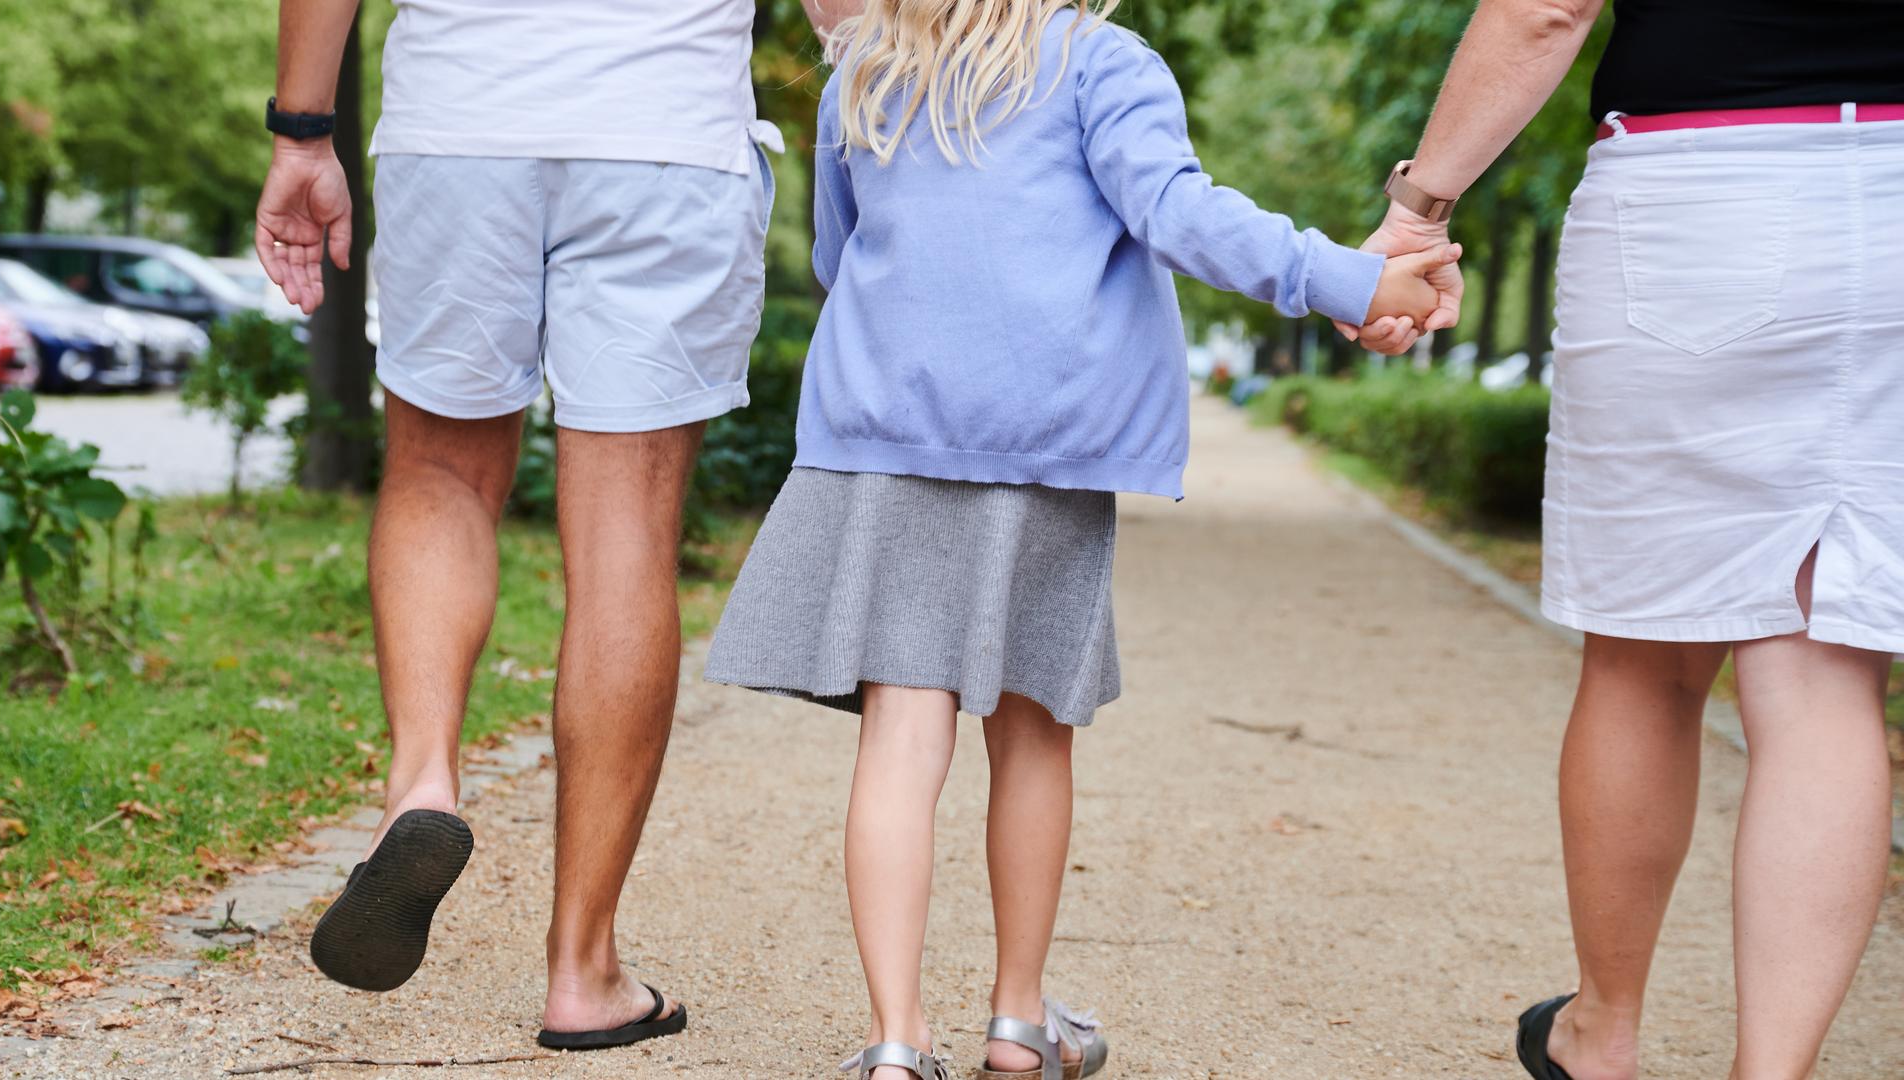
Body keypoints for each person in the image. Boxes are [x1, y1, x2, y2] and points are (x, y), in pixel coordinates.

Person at [700, 1, 1461, 1076]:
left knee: (901, 737)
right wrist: (1344, 277)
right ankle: (1017, 1024)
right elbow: (1179, 215)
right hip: (1044, 440)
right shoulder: (1105, 64)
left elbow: (838, 257)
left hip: (891, 434)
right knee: (1033, 730)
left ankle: (895, 1044)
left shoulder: (862, 74)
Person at [252, 0, 858, 1050]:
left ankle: (422, 783)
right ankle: (583, 972)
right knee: (625, 527)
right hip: (665, 132)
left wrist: (302, 129)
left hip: (462, 118)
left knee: (439, 473)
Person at [1339, 2, 1904, 1077]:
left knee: (1647, 657)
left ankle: (1602, 1033)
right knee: (1828, 670)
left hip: (1708, 182)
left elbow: (1548, 9)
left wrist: (1419, 209)